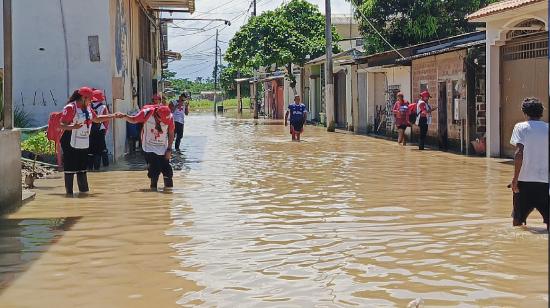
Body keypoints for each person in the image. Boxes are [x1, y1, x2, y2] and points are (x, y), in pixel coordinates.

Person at [59, 87, 119, 195]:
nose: (91, 101)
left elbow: (96, 119)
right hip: (69, 141)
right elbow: (61, 125)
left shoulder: (88, 108)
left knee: (82, 169)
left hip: (83, 141)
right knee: (70, 169)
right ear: (83, 98)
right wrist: (74, 126)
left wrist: (112, 116)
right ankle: (69, 194)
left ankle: (84, 193)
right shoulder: (70, 108)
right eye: (90, 99)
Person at [509, 97, 548, 230]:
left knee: (517, 221)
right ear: (541, 112)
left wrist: (515, 179)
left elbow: (519, 153)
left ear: (524, 112)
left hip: (524, 183)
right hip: (546, 183)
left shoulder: (520, 127)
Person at [122, 105, 175, 190]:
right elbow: (134, 119)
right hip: (148, 147)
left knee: (168, 171)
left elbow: (171, 133)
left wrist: (169, 149)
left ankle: (168, 194)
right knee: (155, 169)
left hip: (162, 148)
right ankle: (153, 191)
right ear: (157, 115)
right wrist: (124, 116)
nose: (164, 122)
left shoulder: (170, 117)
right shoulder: (146, 113)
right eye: (162, 120)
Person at [88, 89, 110, 170]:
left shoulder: (88, 106)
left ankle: (89, 168)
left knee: (90, 150)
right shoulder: (103, 107)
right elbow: (106, 121)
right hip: (100, 131)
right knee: (101, 150)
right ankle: (100, 168)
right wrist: (105, 131)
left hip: (89, 131)